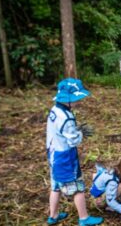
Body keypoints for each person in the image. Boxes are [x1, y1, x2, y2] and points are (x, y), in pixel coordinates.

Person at [46, 78, 103, 226]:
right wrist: (81, 133)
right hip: (65, 157)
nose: (79, 101)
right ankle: (84, 218)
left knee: (56, 186)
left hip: (53, 155)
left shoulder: (55, 110)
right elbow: (73, 141)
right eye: (77, 99)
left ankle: (53, 215)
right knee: (77, 187)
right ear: (68, 100)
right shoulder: (67, 117)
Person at [89, 156, 121, 221]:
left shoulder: (118, 171)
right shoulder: (112, 181)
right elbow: (110, 201)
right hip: (97, 198)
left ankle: (115, 204)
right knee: (120, 187)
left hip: (106, 191)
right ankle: (109, 206)